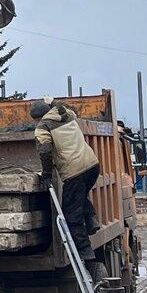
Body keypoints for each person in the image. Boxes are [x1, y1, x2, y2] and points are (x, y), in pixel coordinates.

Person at [31, 96, 101, 266]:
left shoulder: (42, 127)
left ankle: (85, 251)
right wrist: (53, 101)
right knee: (79, 196)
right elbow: (65, 107)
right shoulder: (68, 115)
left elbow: (45, 151)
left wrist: (47, 173)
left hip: (74, 172)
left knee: (71, 215)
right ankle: (91, 218)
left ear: (36, 118)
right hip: (92, 166)